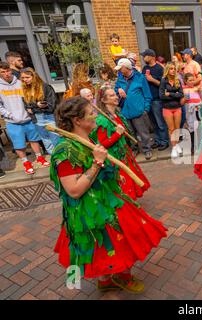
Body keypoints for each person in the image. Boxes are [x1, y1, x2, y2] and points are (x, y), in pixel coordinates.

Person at [51, 96, 167, 293]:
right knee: (105, 245)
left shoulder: (88, 138)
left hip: (108, 199)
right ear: (77, 120)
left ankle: (115, 277)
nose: (96, 115)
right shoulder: (65, 151)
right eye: (91, 113)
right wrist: (97, 163)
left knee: (117, 242)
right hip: (90, 210)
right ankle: (112, 279)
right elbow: (74, 190)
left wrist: (113, 175)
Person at [95, 86, 151, 199]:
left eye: (115, 94)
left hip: (124, 153)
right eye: (111, 96)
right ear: (103, 100)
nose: (116, 97)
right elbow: (102, 144)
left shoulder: (117, 114)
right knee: (124, 185)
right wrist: (117, 134)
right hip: (116, 159)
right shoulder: (102, 120)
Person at [0, 62, 49, 174]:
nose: (6, 74)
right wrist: (10, 115)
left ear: (11, 70)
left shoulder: (20, 83)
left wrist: (30, 110)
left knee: (34, 139)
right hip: (12, 121)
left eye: (7, 71)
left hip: (28, 118)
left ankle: (39, 157)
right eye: (3, 72)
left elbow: (30, 97)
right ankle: (26, 162)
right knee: (19, 144)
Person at [114, 58, 153, 160]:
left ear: (127, 68)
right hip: (125, 112)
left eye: (120, 69)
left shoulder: (140, 78)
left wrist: (145, 109)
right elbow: (115, 93)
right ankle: (134, 148)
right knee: (130, 133)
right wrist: (118, 91)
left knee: (143, 132)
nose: (118, 71)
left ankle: (147, 149)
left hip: (139, 111)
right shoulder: (120, 79)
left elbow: (147, 95)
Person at [20, 67, 60, 155]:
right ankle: (55, 160)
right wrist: (37, 105)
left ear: (34, 76)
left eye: (27, 77)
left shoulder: (45, 87)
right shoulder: (25, 90)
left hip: (50, 117)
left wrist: (33, 107)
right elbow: (27, 108)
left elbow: (51, 106)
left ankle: (62, 160)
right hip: (37, 119)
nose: (24, 80)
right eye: (23, 78)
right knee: (46, 141)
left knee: (56, 139)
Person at [141, 49, 169, 151]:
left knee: (160, 122)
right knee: (153, 123)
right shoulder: (145, 68)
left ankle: (164, 141)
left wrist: (152, 79)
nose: (143, 58)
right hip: (148, 100)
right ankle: (157, 141)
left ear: (152, 56)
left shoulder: (159, 69)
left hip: (157, 99)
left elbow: (163, 84)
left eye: (145, 56)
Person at [160, 62, 184, 158]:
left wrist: (169, 94)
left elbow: (181, 94)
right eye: (171, 69)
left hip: (177, 108)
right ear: (167, 70)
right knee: (171, 129)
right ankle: (174, 147)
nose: (173, 70)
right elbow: (161, 96)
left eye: (174, 68)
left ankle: (177, 144)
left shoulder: (177, 80)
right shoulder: (163, 80)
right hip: (167, 109)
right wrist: (175, 94)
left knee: (177, 129)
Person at [183, 72, 202, 154]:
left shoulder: (197, 89)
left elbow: (201, 99)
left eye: (193, 80)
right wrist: (196, 88)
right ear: (186, 81)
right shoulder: (184, 89)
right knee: (191, 128)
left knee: (200, 127)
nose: (192, 82)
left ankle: (201, 145)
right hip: (191, 112)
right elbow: (186, 95)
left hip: (199, 110)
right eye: (190, 80)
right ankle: (192, 145)